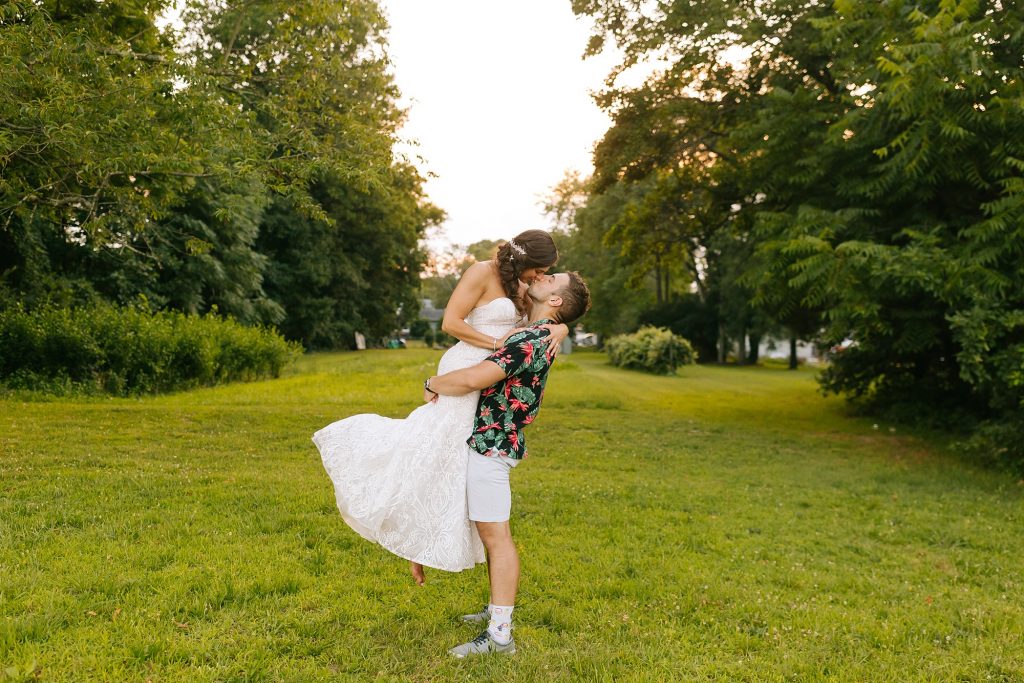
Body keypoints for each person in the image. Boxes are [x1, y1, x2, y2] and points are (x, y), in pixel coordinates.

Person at [312, 230, 569, 584]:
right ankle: (409, 536)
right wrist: (496, 342)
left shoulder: (521, 287)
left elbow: (546, 314)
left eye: (544, 274)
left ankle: (422, 542)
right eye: (540, 270)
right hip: (468, 369)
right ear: (526, 260)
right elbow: (451, 322)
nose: (540, 277)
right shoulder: (482, 272)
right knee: (434, 454)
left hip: (489, 378)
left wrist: (562, 329)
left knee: (453, 465)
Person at [421, 271, 591, 658]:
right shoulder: (538, 331)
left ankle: (500, 636)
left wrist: (433, 382)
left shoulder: (532, 338)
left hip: (492, 445)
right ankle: (496, 610)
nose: (543, 277)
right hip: (494, 440)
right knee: (491, 536)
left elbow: (476, 378)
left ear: (556, 301)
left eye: (552, 279)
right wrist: (562, 328)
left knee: (497, 539)